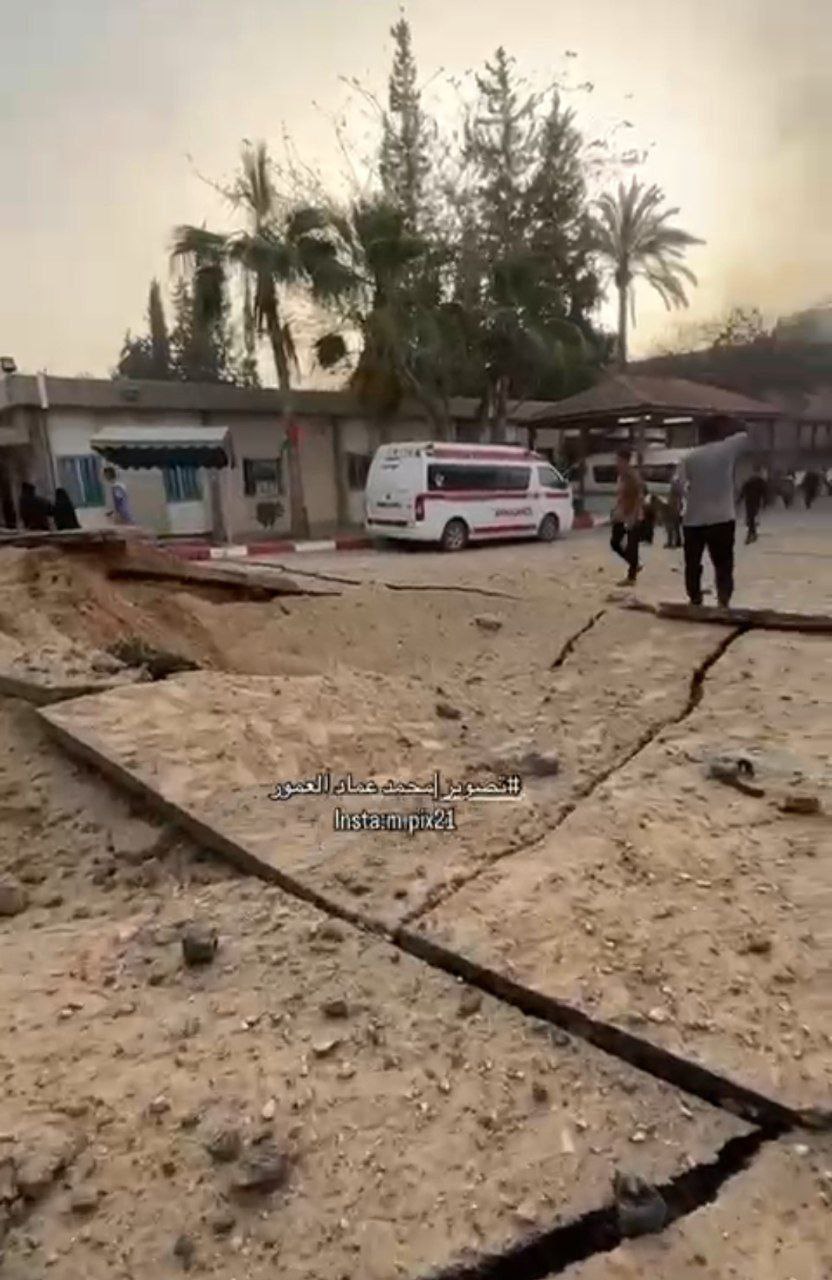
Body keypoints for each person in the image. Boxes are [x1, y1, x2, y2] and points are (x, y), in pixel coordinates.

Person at [678, 415, 748, 608]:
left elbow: (680, 485)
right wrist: (729, 418)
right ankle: (723, 601)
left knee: (693, 564)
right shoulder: (727, 448)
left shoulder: (688, 457)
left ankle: (695, 600)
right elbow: (745, 432)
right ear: (720, 432)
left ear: (699, 435)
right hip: (722, 517)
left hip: (694, 519)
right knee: (723, 563)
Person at [609, 448, 645, 585]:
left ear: (625, 461)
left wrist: (634, 515)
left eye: (618, 460)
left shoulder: (633, 476)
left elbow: (640, 497)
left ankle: (631, 577)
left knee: (632, 545)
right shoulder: (621, 476)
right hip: (622, 513)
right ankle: (635, 564)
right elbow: (620, 496)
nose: (616, 463)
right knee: (615, 542)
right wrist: (616, 510)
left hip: (632, 514)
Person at [739, 464, 767, 544]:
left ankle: (751, 534)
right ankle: (752, 533)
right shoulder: (756, 481)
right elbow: (764, 492)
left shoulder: (754, 481)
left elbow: (764, 492)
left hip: (752, 501)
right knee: (751, 517)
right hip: (751, 501)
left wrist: (740, 499)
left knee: (751, 517)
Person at [664, 470, 684, 549]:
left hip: (674, 506)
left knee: (670, 525)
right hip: (676, 506)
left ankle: (671, 542)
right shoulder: (678, 482)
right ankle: (677, 541)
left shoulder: (676, 483)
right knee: (675, 526)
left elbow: (677, 494)